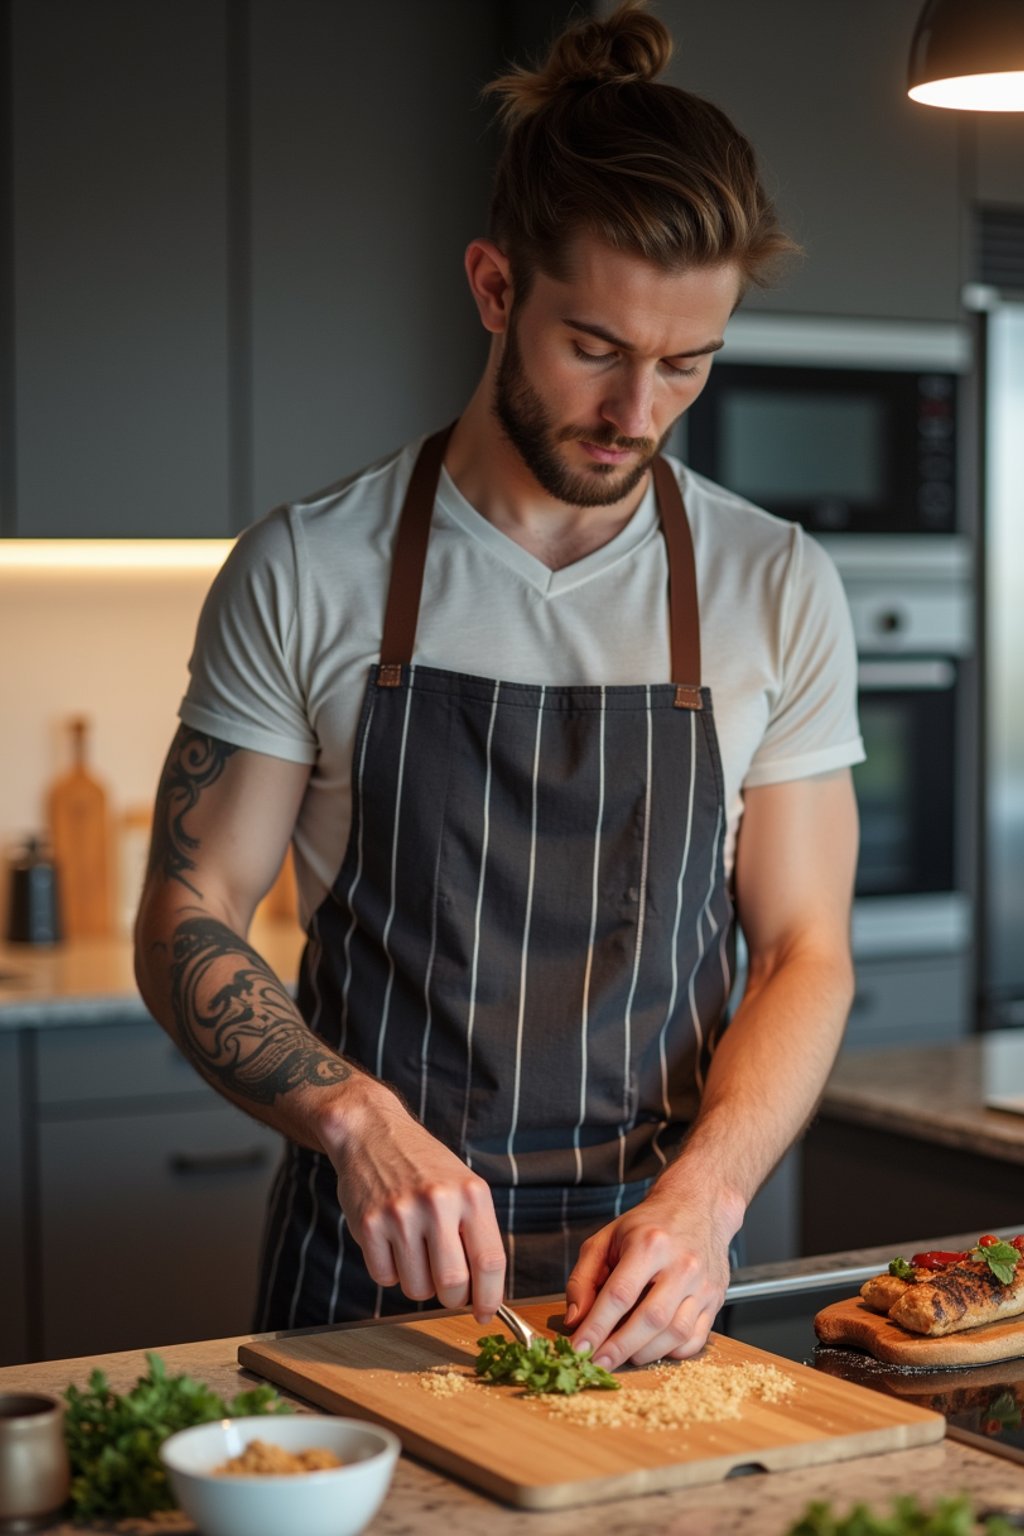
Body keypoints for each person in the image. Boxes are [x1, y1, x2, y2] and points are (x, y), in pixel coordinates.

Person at [134, 0, 863, 1374]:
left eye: (686, 365)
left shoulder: (776, 586)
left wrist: (708, 1200)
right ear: (493, 288)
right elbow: (188, 908)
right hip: (365, 1270)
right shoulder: (313, 567)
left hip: (653, 1281)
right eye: (596, 348)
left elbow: (802, 951)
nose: (636, 412)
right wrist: (356, 1125)